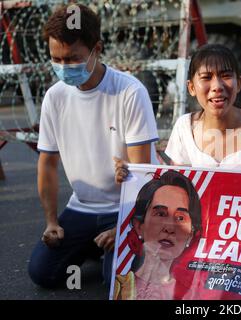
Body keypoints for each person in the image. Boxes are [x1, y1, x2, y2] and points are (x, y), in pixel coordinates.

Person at [28, 4, 159, 289]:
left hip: (126, 207)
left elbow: (143, 171)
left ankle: (130, 243)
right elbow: (47, 163)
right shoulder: (55, 97)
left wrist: (126, 227)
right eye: (56, 59)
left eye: (72, 59)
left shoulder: (129, 92)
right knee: (41, 273)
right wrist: (52, 221)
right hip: (82, 208)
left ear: (96, 48)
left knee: (117, 283)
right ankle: (95, 246)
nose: (64, 68)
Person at [116, 44, 241, 193]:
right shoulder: (184, 128)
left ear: (239, 83)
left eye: (225, 75)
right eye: (206, 77)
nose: (217, 85)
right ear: (191, 88)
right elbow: (178, 190)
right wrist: (131, 174)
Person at [114, 170, 201, 300]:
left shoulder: (195, 294)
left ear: (191, 235)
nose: (170, 228)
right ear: (139, 226)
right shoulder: (119, 288)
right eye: (160, 214)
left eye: (181, 218)